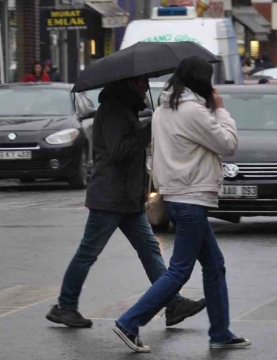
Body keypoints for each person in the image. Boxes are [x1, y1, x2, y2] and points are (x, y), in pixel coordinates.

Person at [46, 75, 206, 329]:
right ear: (130, 84)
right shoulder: (113, 110)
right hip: (110, 196)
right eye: (142, 82)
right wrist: (149, 130)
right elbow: (119, 151)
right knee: (88, 252)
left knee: (149, 250)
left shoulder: (126, 109)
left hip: (128, 198)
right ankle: (65, 306)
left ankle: (173, 303)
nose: (145, 87)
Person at [114, 57, 250, 353]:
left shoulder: (165, 109)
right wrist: (222, 110)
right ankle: (129, 322)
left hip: (176, 195)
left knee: (214, 265)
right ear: (201, 81)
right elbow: (228, 144)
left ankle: (221, 332)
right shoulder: (192, 111)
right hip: (191, 198)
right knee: (179, 271)